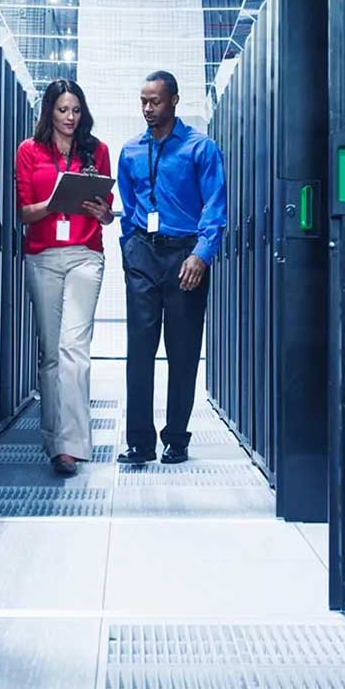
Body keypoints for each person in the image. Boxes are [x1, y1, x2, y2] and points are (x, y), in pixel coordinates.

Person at [116, 71, 227, 465]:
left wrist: (201, 254)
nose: (148, 109)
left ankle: (176, 439)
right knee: (139, 353)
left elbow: (215, 206)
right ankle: (139, 443)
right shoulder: (130, 151)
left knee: (183, 353)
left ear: (174, 101)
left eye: (155, 101)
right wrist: (130, 247)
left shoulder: (202, 148)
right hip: (143, 256)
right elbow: (129, 207)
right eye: (143, 101)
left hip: (186, 258)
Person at [16, 79, 114, 476]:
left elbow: (106, 209)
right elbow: (24, 212)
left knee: (75, 348)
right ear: (49, 112)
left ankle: (71, 446)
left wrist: (103, 213)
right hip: (42, 256)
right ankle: (54, 439)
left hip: (85, 254)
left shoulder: (97, 151)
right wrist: (54, 203)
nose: (70, 117)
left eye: (75, 110)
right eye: (62, 110)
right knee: (52, 353)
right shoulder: (29, 150)